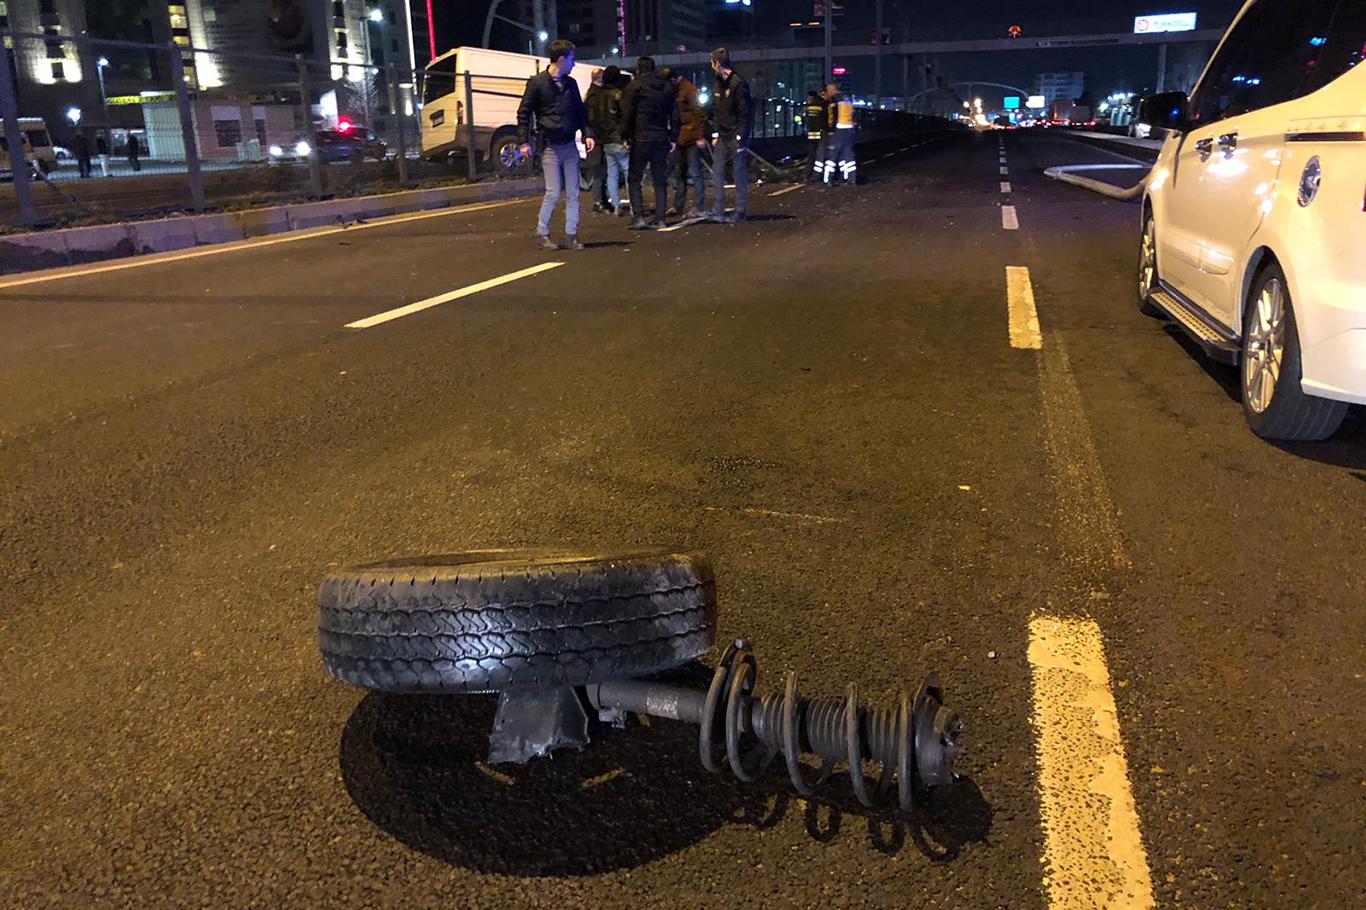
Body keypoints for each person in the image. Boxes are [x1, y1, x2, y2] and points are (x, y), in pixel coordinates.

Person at [517, 38, 595, 251]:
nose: (573, 64)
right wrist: (523, 141)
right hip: (550, 145)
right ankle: (542, 233)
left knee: (573, 193)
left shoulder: (571, 84)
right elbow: (524, 113)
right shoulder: (537, 83)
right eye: (571, 59)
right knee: (553, 192)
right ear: (561, 59)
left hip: (569, 144)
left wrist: (587, 133)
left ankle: (571, 235)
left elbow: (580, 112)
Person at [620, 55, 676, 230]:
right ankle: (660, 217)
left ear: (639, 69)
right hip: (661, 136)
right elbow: (674, 114)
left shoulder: (635, 86)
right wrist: (673, 136)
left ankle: (638, 216)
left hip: (641, 137)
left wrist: (625, 136)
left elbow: (627, 113)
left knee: (634, 178)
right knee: (660, 179)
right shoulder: (667, 87)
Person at [707, 48, 752, 225]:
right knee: (717, 172)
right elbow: (716, 110)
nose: (711, 66)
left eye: (712, 63)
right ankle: (718, 210)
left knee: (738, 173)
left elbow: (745, 113)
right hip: (723, 135)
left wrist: (741, 137)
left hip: (735, 136)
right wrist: (716, 132)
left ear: (717, 63)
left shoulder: (738, 83)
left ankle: (740, 211)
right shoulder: (718, 83)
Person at [587, 65, 629, 216]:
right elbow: (623, 116)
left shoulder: (595, 95)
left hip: (605, 139)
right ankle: (634, 205)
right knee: (628, 171)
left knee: (612, 173)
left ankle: (615, 205)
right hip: (616, 138)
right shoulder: (616, 94)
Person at [668, 69, 707, 218]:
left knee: (693, 172)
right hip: (684, 135)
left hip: (689, 136)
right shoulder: (684, 89)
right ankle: (685, 205)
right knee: (683, 172)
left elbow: (699, 114)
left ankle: (696, 206)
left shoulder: (688, 90)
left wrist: (699, 136)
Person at [583, 68, 609, 212]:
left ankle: (600, 200)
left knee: (599, 170)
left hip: (593, 138)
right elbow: (594, 118)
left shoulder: (590, 94)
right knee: (600, 171)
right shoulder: (596, 95)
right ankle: (598, 201)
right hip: (596, 139)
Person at [825, 84, 857, 186]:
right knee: (848, 154)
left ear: (832, 90)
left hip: (839, 129)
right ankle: (851, 179)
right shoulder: (847, 98)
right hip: (849, 129)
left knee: (832, 154)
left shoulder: (834, 99)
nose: (827, 92)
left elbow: (833, 115)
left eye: (827, 90)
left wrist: (830, 130)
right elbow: (853, 113)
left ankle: (828, 179)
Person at [804, 89, 829, 184]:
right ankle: (820, 175)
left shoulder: (809, 106)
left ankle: (808, 175)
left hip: (812, 133)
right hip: (822, 132)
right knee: (822, 154)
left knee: (812, 154)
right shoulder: (823, 104)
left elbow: (807, 118)